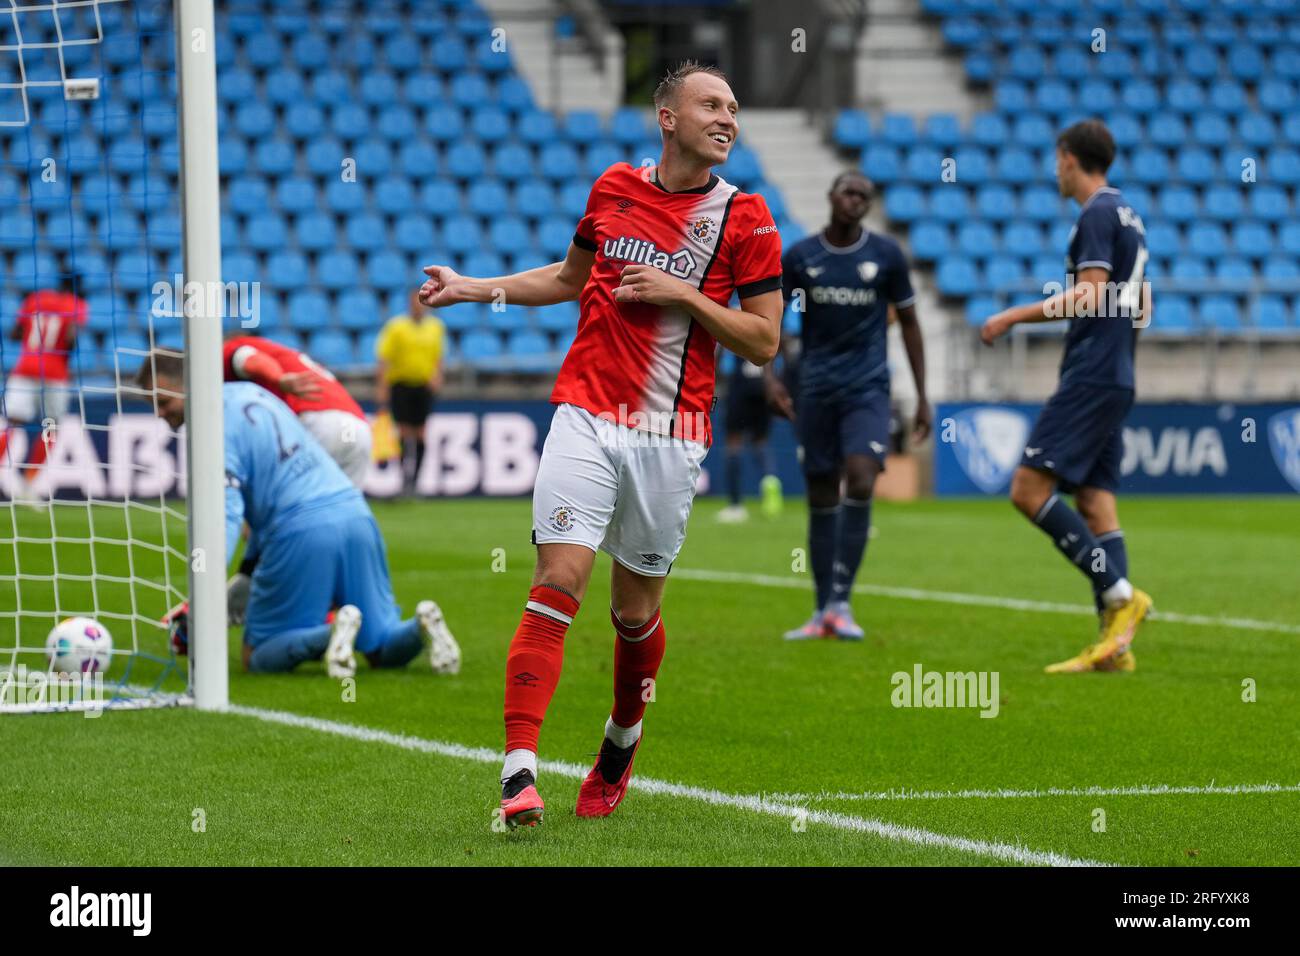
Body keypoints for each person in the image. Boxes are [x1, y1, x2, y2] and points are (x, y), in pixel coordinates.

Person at [419, 61, 783, 828]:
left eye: (734, 106)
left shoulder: (747, 218)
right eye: (712, 104)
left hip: (671, 436)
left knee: (633, 613)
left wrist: (682, 292)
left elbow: (763, 341)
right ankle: (518, 771)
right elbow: (569, 278)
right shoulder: (613, 188)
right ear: (668, 118)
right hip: (585, 413)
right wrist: (473, 286)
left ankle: (621, 738)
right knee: (557, 580)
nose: (728, 117)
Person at [137, 351, 461, 677]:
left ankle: (332, 632)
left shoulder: (212, 428)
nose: (159, 413)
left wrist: (205, 591)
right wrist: (247, 572)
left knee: (257, 656)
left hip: (300, 528)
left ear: (191, 385)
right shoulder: (255, 394)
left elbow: (227, 515)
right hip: (355, 513)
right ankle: (420, 625)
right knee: (381, 647)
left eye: (164, 402)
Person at [979, 119, 1153, 673]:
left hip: (1092, 375)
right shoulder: (1130, 215)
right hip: (1116, 373)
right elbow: (1142, 304)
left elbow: (1088, 295)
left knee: (1027, 490)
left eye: (1058, 160)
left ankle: (1121, 595)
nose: (1056, 170)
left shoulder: (1096, 213)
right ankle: (1114, 647)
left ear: (1070, 158)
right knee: (1096, 503)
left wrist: (1013, 316)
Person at [767, 171, 931, 641]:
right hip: (815, 389)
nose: (856, 200)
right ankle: (822, 610)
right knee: (821, 495)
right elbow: (770, 316)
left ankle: (841, 601)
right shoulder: (802, 256)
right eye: (849, 192)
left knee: (860, 476)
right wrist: (769, 376)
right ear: (831, 196)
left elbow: (911, 323)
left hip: (868, 389)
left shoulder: (886, 255)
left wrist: (922, 396)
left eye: (864, 195)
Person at [222, 334, 372, 486]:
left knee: (288, 495)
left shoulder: (234, 345)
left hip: (318, 419)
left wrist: (278, 378)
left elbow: (249, 358)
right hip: (357, 427)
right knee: (344, 499)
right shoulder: (287, 354)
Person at [0, 275, 88, 500]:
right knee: (51, 426)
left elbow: (15, 333)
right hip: (55, 373)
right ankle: (29, 482)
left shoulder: (35, 299)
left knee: (11, 424)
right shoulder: (76, 304)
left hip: (25, 367)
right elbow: (70, 338)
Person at [375, 291, 445, 494]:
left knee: (421, 433)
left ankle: (415, 481)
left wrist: (437, 376)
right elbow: (384, 359)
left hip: (423, 386)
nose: (419, 306)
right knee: (404, 432)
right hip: (401, 385)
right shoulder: (396, 327)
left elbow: (438, 356)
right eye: (415, 302)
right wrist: (382, 387)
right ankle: (404, 479)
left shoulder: (436, 327)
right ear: (409, 304)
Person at [715, 352, 782, 523]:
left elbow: (719, 351)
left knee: (733, 443)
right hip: (763, 385)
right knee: (760, 441)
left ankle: (735, 505)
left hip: (739, 384)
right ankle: (770, 480)